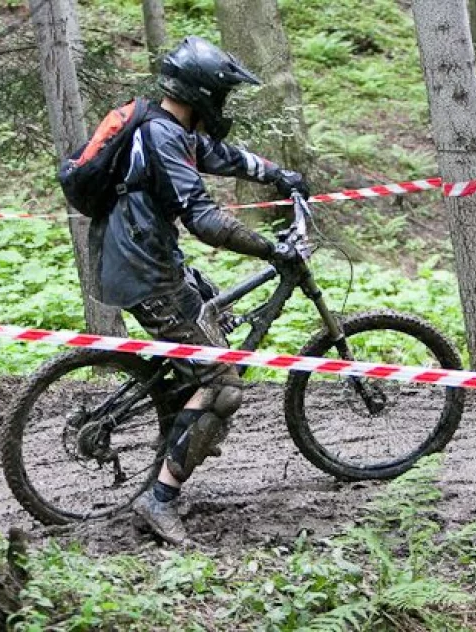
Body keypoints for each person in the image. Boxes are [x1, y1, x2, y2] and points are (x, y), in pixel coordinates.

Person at [93, 36, 310, 544]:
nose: (225, 105)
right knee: (223, 385)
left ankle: (181, 421)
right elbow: (205, 220)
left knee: (212, 312)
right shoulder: (164, 136)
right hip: (145, 271)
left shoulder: (167, 127)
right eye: (223, 95)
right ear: (202, 92)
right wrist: (271, 249)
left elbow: (223, 155)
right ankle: (159, 498)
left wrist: (281, 176)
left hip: (148, 260)